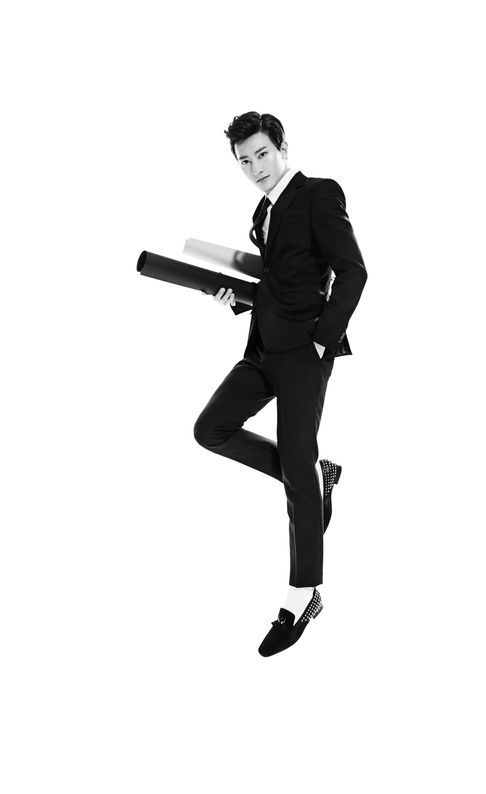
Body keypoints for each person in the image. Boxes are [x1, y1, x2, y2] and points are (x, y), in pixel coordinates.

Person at [193, 112, 367, 656]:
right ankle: (312, 484)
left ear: (282, 147)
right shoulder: (262, 212)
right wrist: (234, 299)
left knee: (296, 463)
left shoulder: (318, 194)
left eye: (262, 154)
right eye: (244, 161)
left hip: (304, 354)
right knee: (211, 429)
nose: (255, 168)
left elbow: (354, 271)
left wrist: (321, 341)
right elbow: (279, 283)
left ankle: (303, 596)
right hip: (262, 350)